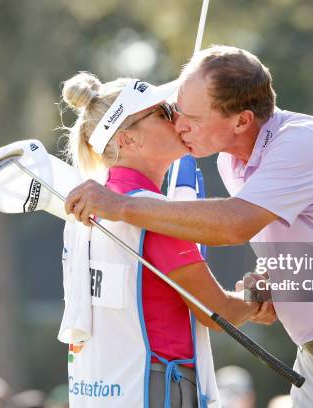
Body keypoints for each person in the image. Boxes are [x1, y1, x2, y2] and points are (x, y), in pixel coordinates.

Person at [64, 46, 313, 407]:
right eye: (171, 112)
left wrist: (124, 206)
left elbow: (236, 226)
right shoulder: (231, 164)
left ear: (242, 120)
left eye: (189, 116)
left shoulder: (303, 142)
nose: (180, 125)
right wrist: (273, 280)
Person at [59, 71, 261, 408]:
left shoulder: (93, 204)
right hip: (155, 389)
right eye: (164, 112)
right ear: (127, 141)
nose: (179, 119)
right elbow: (218, 312)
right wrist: (256, 298)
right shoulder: (149, 211)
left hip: (105, 390)